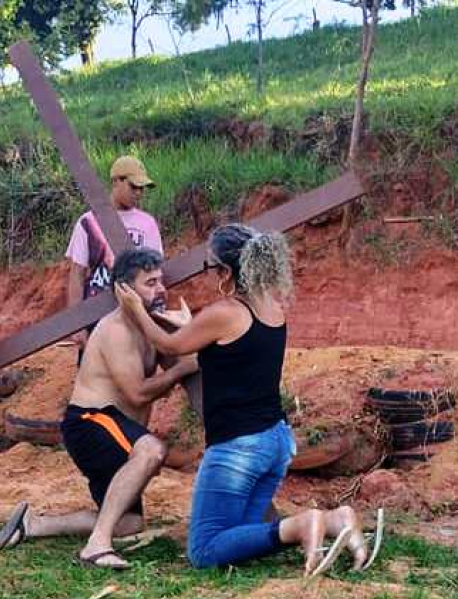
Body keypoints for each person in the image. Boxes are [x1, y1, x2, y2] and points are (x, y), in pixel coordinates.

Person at [116, 223, 367, 576]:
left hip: (239, 448)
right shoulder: (271, 306)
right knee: (240, 540)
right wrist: (193, 324)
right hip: (275, 442)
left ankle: (301, 525)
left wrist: (135, 309)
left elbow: (169, 346)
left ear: (230, 271)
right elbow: (230, 347)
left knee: (204, 550)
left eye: (213, 268)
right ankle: (333, 520)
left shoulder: (225, 313)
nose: (212, 275)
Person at [0, 248, 197, 569]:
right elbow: (137, 393)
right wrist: (181, 370)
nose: (161, 290)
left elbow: (186, 355)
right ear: (125, 291)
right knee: (151, 451)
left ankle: (34, 524)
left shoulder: (152, 328)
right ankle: (96, 546)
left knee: (129, 523)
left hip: (118, 432)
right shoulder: (116, 330)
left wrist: (188, 330)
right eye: (150, 283)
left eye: (161, 282)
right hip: (90, 423)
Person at [65, 156, 162, 354]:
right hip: (96, 315)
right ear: (116, 181)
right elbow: (76, 274)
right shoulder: (88, 222)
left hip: (133, 316)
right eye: (133, 187)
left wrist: (156, 313)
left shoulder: (147, 223)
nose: (139, 193)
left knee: (134, 374)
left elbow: (156, 274)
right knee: (93, 377)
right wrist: (77, 324)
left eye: (142, 188)